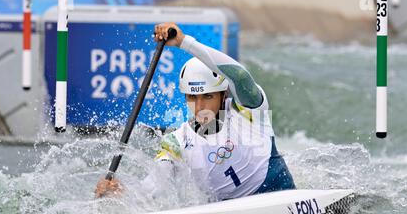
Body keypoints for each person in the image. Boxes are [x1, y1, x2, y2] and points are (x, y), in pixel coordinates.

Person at [95, 22, 295, 200]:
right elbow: (152, 188)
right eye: (192, 97)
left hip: (279, 195)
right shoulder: (177, 142)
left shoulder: (249, 110)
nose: (199, 108)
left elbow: (240, 76)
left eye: (207, 96)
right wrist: (119, 193)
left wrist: (184, 42)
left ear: (223, 94)